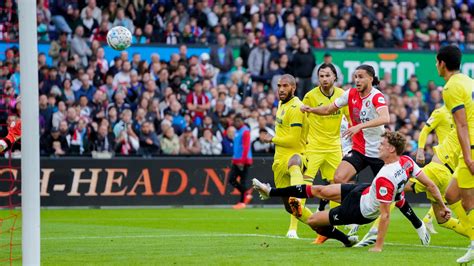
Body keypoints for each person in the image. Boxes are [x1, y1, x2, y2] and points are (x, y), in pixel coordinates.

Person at [253, 131, 450, 251]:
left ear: (391, 150)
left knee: (313, 221)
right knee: (320, 189)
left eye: (382, 145)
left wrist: (378, 246)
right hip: (362, 191)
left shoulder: (385, 177)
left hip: (359, 210)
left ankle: (346, 239)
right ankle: (271, 191)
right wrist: (441, 206)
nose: (378, 147)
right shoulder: (407, 162)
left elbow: (385, 216)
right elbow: (431, 185)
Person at [299, 63, 350, 243]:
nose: (324, 79)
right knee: (303, 184)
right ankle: (292, 228)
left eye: (328, 75)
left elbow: (350, 118)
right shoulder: (310, 96)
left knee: (337, 186)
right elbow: (302, 120)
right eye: (321, 76)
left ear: (334, 77)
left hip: (335, 147)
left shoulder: (342, 95)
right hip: (313, 146)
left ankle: (330, 229)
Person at [260, 74, 313, 236]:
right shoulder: (282, 104)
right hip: (279, 159)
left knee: (294, 162)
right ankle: (323, 226)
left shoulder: (296, 107)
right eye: (279, 86)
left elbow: (293, 140)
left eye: (285, 86)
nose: (281, 89)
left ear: (293, 87)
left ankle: (296, 196)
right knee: (290, 209)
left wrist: (271, 139)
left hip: (296, 155)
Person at [435, 45, 474, 263]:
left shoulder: (450, 88)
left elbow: (461, 125)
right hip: (468, 149)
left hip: (471, 148)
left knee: (469, 202)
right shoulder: (468, 81)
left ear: (441, 63)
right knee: (450, 195)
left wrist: (468, 156)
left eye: (436, 62)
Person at [416, 104, 454, 233]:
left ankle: (428, 218)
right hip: (443, 160)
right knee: (402, 188)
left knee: (447, 196)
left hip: (457, 161)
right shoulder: (440, 113)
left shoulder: (463, 115)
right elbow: (425, 130)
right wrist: (420, 149)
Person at [228, 114, 253, 209]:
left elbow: (246, 147)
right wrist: (234, 159)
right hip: (237, 160)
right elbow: (237, 147)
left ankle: (242, 202)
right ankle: (246, 194)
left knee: (238, 180)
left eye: (238, 121)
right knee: (233, 180)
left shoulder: (245, 131)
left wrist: (242, 161)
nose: (237, 123)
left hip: (243, 161)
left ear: (242, 121)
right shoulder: (238, 131)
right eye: (236, 121)